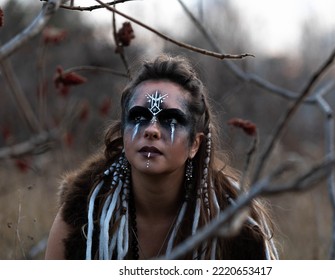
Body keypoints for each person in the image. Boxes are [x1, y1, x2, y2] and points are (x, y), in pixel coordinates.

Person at [45, 54, 278, 260]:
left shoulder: (237, 224)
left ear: (194, 145)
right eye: (138, 117)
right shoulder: (85, 209)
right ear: (123, 131)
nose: (151, 130)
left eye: (171, 120)